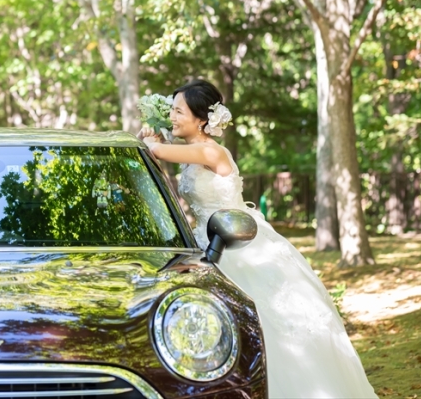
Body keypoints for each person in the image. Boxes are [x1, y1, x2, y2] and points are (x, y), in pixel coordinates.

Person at [139, 79, 377, 399]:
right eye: (170, 111)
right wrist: (154, 137)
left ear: (202, 120)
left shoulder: (211, 150)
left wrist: (150, 137)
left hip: (237, 243)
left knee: (267, 323)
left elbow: (158, 150)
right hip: (207, 242)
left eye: (178, 111)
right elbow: (161, 156)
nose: (172, 117)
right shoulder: (194, 153)